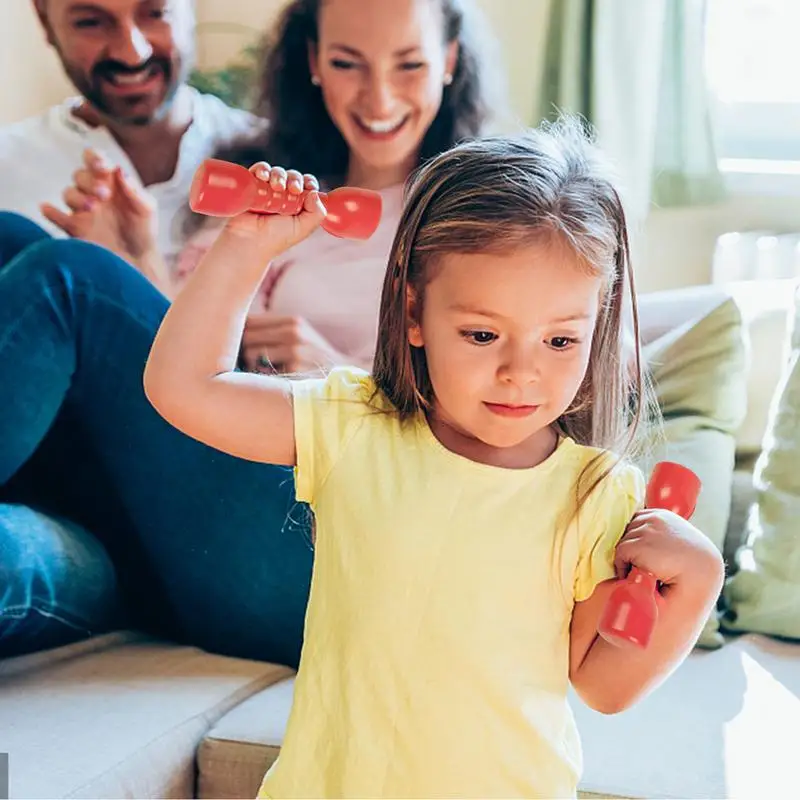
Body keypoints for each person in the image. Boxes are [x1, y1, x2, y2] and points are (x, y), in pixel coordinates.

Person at [143, 122, 725, 799]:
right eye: (482, 334)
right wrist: (247, 247)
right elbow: (183, 389)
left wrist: (695, 585)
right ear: (414, 312)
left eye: (560, 341)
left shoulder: (594, 496)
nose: (520, 374)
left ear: (596, 325)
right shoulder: (355, 426)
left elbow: (605, 686)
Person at [0, 0, 502, 659]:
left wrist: (342, 378)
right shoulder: (277, 189)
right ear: (315, 64)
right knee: (14, 241)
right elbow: (177, 369)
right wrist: (139, 258)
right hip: (200, 488)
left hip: (317, 523)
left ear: (449, 62)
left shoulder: (483, 218)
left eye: (407, 64)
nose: (379, 96)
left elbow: (569, 357)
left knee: (69, 278)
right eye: (349, 63)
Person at [0, 0, 263, 271]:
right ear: (45, 21)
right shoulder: (7, 170)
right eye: (90, 22)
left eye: (156, 14)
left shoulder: (275, 163)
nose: (132, 54)